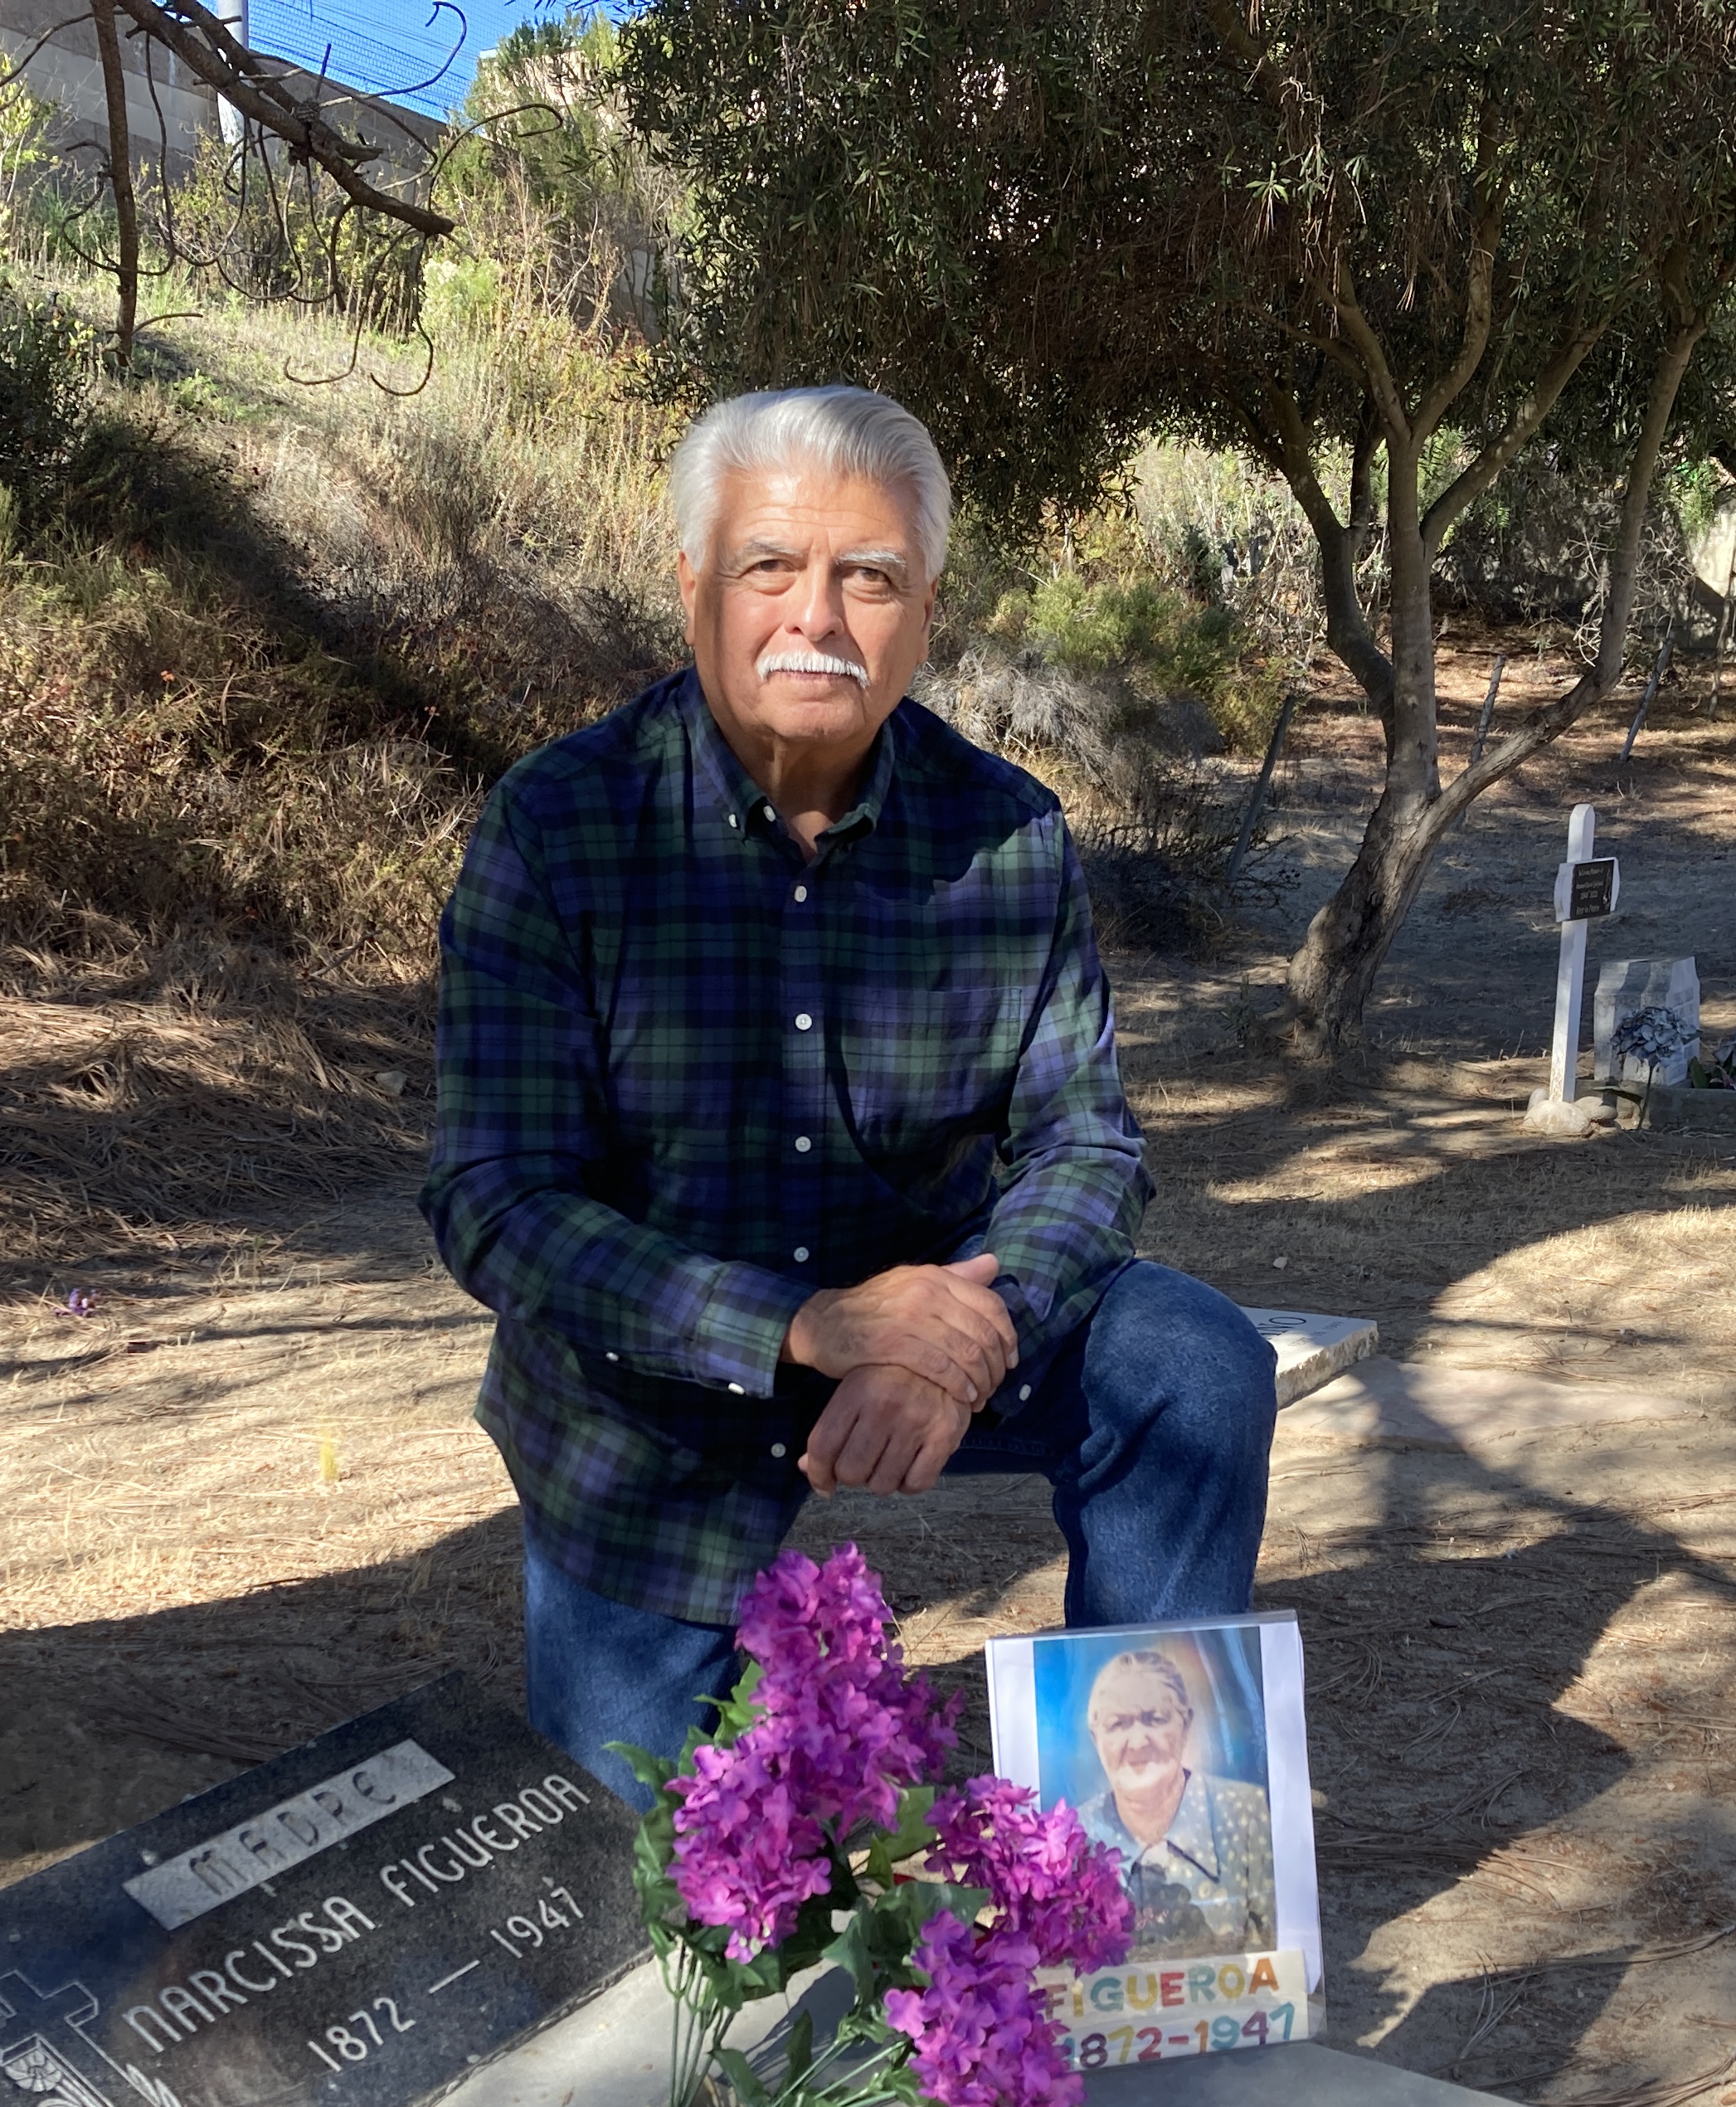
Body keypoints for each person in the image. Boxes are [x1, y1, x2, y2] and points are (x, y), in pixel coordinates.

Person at [420, 384, 1276, 1803]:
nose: (814, 617)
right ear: (693, 586)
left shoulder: (1006, 833)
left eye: (866, 576)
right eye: (768, 566)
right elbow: (496, 1200)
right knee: (646, 1891)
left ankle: (1146, 1872)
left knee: (1189, 1364)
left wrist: (962, 1331)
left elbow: (1084, 1139)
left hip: (931, 1316)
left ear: (925, 610)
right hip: (655, 1395)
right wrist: (807, 1323)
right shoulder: (559, 827)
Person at [1072, 1650, 1275, 1959]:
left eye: (1155, 1719)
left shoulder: (1245, 1813)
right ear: (1095, 1737)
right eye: (1118, 1724)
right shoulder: (1072, 1835)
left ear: (1186, 1724)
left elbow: (1281, 1953)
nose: (1138, 1742)